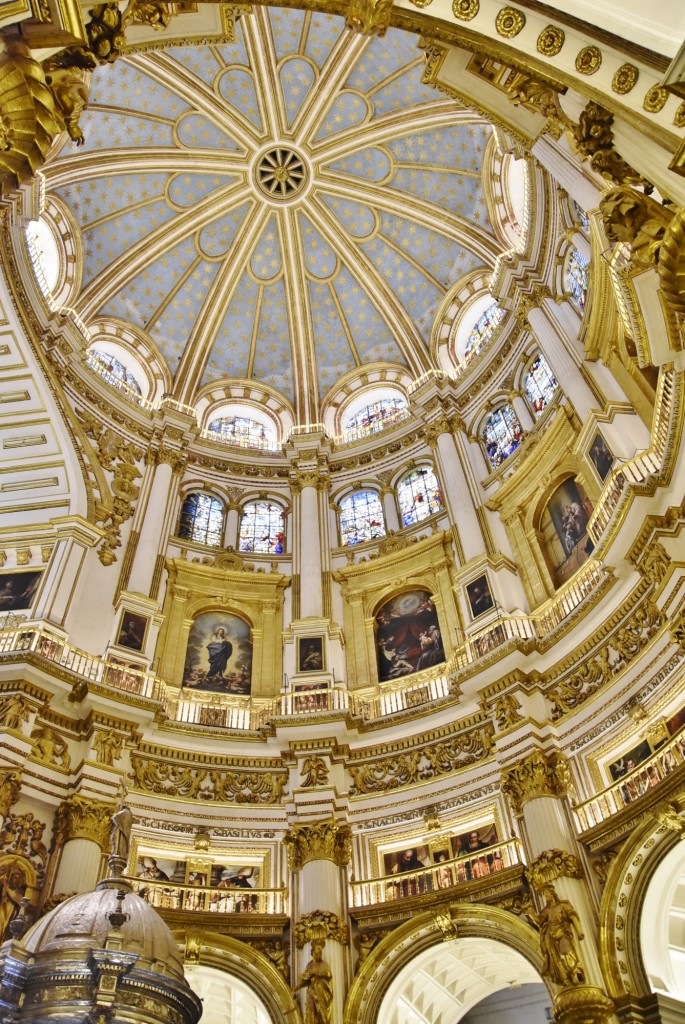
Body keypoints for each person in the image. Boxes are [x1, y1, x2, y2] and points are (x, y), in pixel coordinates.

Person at [537, 885, 586, 986]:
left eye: (547, 894)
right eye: (544, 895)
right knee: (556, 958)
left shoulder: (562, 905)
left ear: (552, 893)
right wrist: (530, 913)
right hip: (551, 937)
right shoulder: (546, 911)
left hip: (563, 932)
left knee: (567, 951)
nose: (545, 896)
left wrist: (579, 931)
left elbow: (572, 917)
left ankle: (575, 974)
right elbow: (539, 922)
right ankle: (565, 979)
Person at [294, 938, 333, 1024]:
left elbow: (328, 974)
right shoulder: (309, 965)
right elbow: (305, 980)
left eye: (321, 949)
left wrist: (316, 972)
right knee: (309, 1009)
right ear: (313, 951)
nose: (320, 951)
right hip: (312, 992)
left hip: (322, 994)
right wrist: (295, 988)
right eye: (318, 949)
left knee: (322, 1015)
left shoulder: (324, 964)